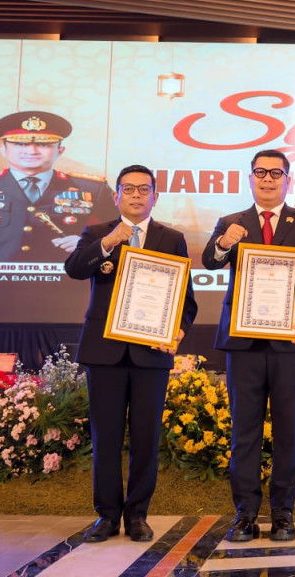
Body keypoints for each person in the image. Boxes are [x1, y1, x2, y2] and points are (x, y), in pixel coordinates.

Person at [203, 149, 295, 543]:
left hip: (292, 341)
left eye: (277, 173)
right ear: (251, 177)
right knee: (245, 432)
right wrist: (224, 242)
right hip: (244, 343)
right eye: (261, 172)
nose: (268, 179)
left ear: (288, 180)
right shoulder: (232, 222)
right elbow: (210, 260)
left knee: (289, 431)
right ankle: (245, 514)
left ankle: (283, 513)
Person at [65, 164, 198, 544]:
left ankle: (137, 515)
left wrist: (178, 331)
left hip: (151, 353)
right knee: (105, 437)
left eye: (144, 189)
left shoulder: (172, 238)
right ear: (117, 195)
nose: (137, 195)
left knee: (145, 438)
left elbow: (185, 301)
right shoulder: (96, 233)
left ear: (155, 196)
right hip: (104, 352)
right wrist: (109, 242)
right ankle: (106, 516)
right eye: (129, 189)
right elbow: (74, 269)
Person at [0, 110, 109, 265]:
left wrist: (91, 245)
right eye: (20, 144)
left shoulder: (91, 188)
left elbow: (123, 231)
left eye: (43, 144)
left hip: (61, 289)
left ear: (60, 151)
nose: (31, 151)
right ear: (3, 149)